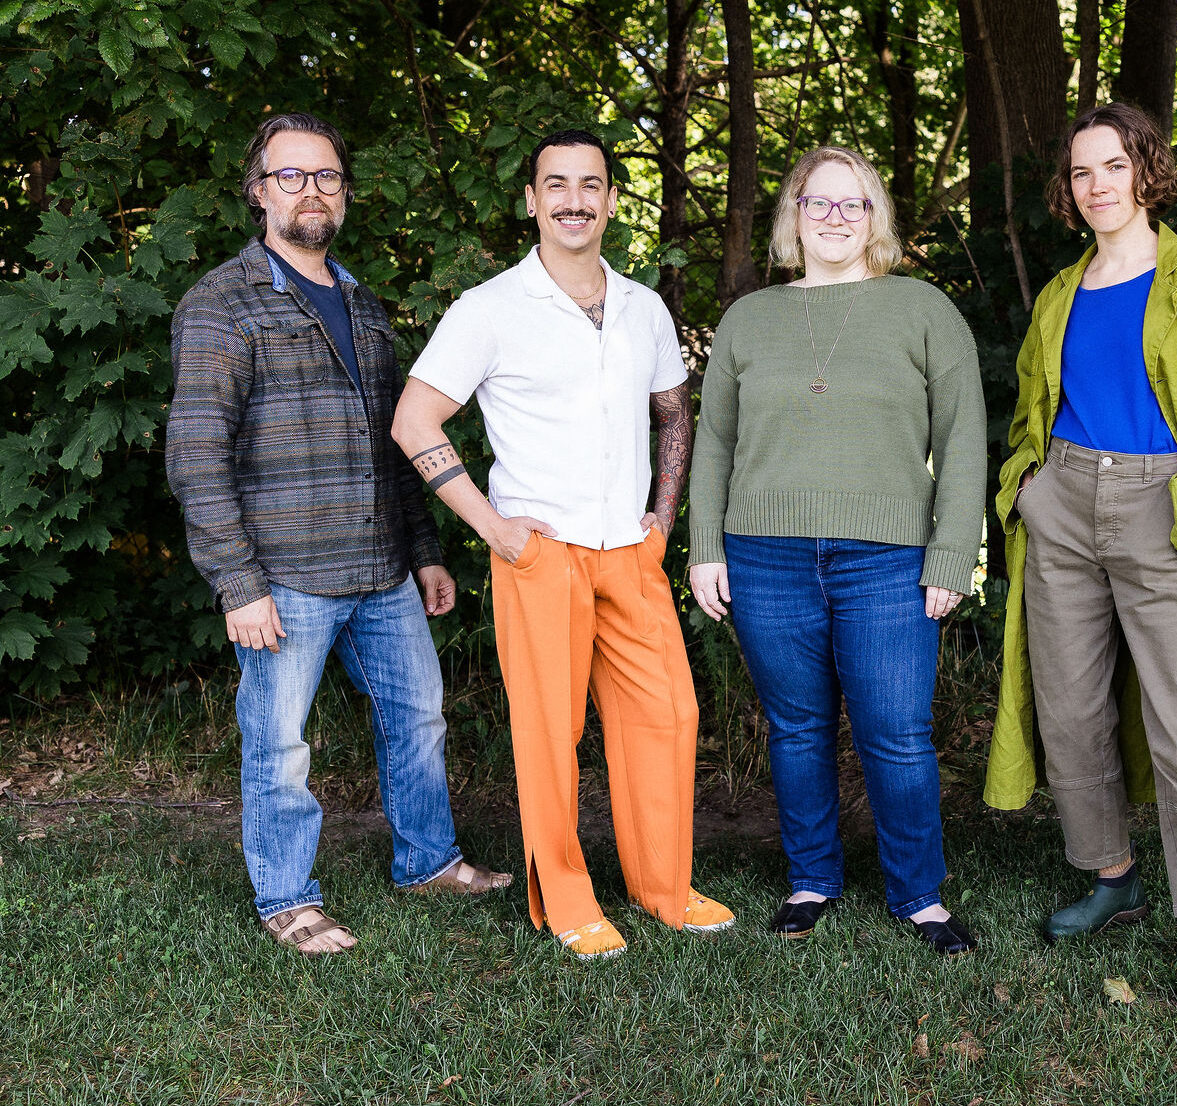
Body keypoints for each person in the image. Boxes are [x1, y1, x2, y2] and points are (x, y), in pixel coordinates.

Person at [983, 103, 1177, 1056]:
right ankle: (1111, 875)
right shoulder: (1061, 292)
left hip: (1165, 507)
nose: (1096, 185)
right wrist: (1026, 486)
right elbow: (1036, 406)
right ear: (1068, 191)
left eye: (1113, 165)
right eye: (1080, 173)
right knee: (1070, 708)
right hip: (1066, 503)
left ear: (1145, 171)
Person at [167, 113, 508, 957]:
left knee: (419, 718)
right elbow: (196, 452)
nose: (311, 190)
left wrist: (425, 551)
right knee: (280, 744)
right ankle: (287, 897)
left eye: (325, 176)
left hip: (383, 567)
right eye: (291, 176)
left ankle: (428, 862)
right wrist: (237, 583)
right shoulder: (220, 303)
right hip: (284, 574)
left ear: (345, 194)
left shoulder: (362, 303)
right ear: (258, 192)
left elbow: (400, 437)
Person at [391, 129, 733, 962]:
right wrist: (493, 526)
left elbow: (672, 410)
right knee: (548, 735)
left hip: (630, 549)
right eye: (556, 184)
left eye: (590, 184)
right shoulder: (489, 309)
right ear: (533, 201)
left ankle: (662, 887)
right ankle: (568, 902)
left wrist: (664, 512)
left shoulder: (644, 306)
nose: (574, 199)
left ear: (613, 199)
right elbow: (413, 419)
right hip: (538, 554)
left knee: (668, 715)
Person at [687, 147, 988, 956]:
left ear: (874, 218)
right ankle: (811, 878)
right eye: (816, 203)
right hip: (763, 556)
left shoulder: (923, 308)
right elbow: (713, 443)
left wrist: (952, 552)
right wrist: (704, 547)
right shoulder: (749, 318)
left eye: (851, 205)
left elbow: (963, 440)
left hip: (888, 558)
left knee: (895, 731)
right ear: (792, 214)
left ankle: (918, 895)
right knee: (796, 729)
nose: (832, 218)